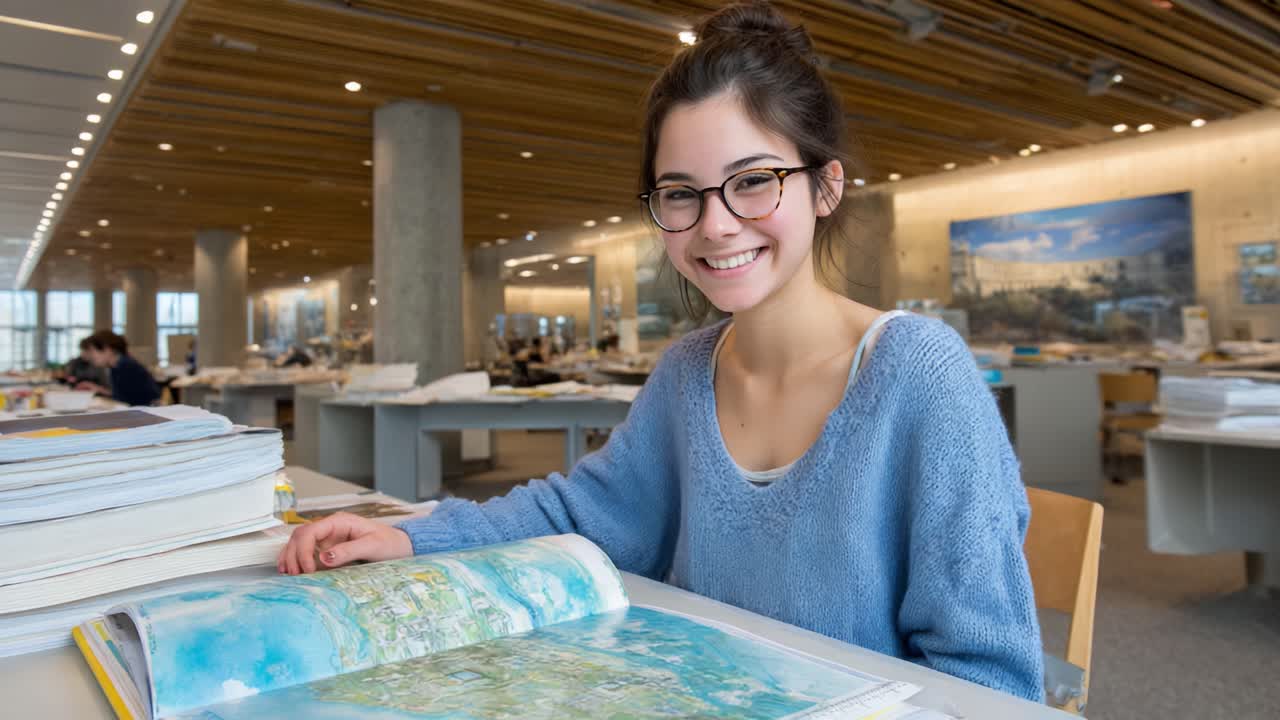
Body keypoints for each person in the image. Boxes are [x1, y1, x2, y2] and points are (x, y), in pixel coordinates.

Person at [279, 1, 1043, 702]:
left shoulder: (919, 375)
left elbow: (990, 679)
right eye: (680, 193)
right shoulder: (687, 372)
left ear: (826, 187)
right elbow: (585, 513)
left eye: (753, 182)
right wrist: (412, 533)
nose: (714, 226)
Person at [78, 330, 161, 406]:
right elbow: (121, 395)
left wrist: (99, 390)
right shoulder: (116, 366)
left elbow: (128, 400)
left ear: (108, 349)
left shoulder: (127, 366)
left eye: (92, 351)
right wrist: (98, 389)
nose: (90, 356)